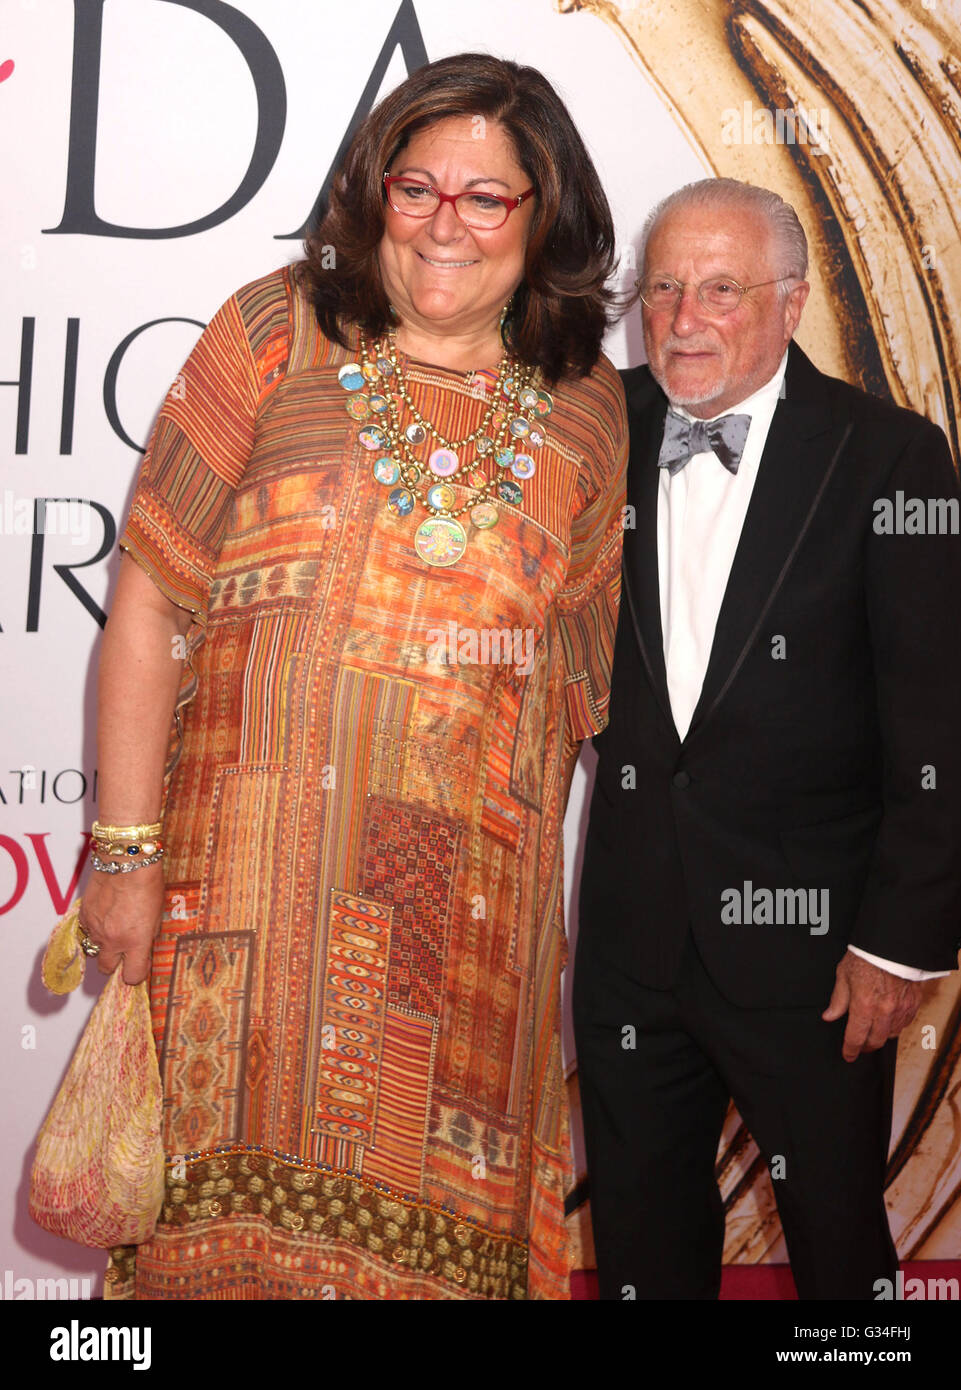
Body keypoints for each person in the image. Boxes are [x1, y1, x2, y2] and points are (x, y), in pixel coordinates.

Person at [76, 53, 628, 1300]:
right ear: (372, 194)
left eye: (486, 198)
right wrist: (123, 849)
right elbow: (155, 595)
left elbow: (576, 685)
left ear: (544, 218)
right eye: (415, 185)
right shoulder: (275, 329)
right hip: (238, 905)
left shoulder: (589, 407)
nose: (445, 221)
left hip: (464, 944)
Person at [574, 177, 961, 1300]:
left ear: (791, 304)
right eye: (663, 289)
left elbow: (937, 718)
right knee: (642, 1249)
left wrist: (900, 943)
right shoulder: (596, 428)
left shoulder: (888, 458)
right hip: (630, 936)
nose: (684, 317)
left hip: (819, 952)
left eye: (721, 290)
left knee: (840, 1250)